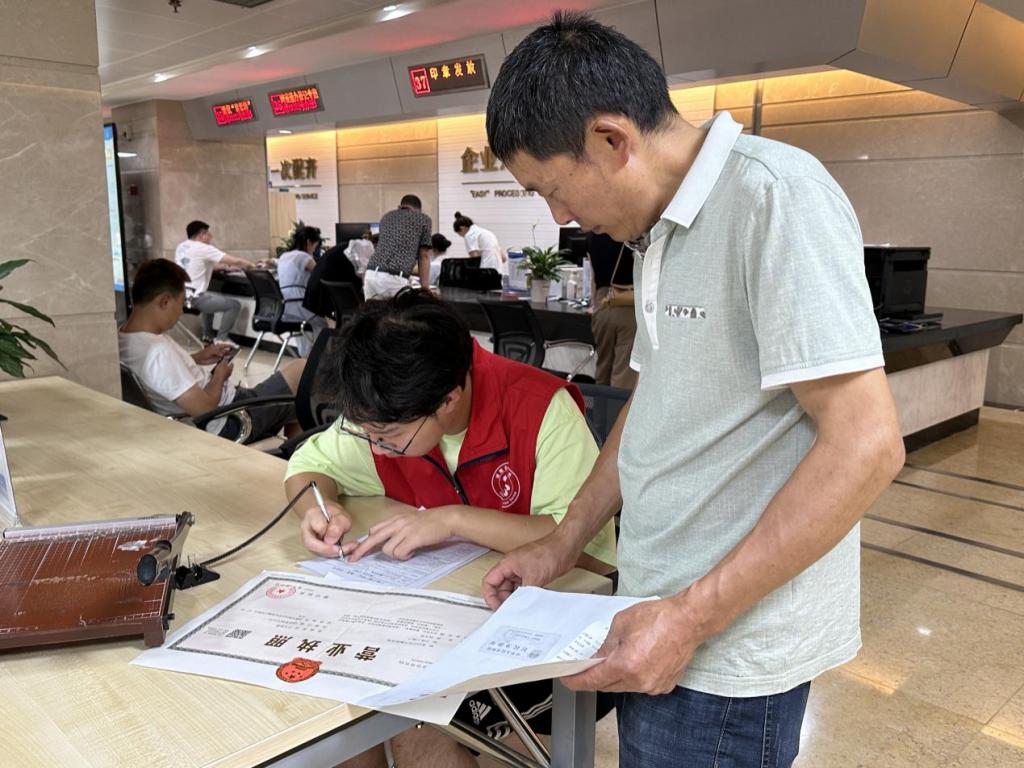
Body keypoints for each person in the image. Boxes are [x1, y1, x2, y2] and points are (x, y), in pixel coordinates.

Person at [481, 12, 904, 768]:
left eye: (552, 189)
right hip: (658, 609)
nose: (560, 216)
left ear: (611, 140)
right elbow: (658, 404)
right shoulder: (659, 231)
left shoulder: (776, 198)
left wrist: (688, 618)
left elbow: (867, 446)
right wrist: (563, 542)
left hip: (726, 648)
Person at [284, 288, 616, 768]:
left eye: (388, 437)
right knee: (340, 711)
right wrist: (320, 508)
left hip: (550, 631)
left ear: (448, 400)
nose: (375, 447)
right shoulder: (388, 405)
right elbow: (308, 467)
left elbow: (585, 551)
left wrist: (453, 519)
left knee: (419, 725)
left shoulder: (540, 409)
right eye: (368, 434)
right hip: (440, 621)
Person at [120, 259, 305, 443]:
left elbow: (161, 374)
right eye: (181, 304)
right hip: (229, 419)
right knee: (303, 372)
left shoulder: (125, 337)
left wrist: (197, 358)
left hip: (226, 408)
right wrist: (220, 376)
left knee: (300, 398)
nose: (181, 312)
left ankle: (291, 453)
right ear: (165, 301)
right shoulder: (159, 352)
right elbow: (205, 409)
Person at [174, 220, 254, 343]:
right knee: (234, 305)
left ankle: (207, 337)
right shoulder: (203, 248)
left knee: (208, 298)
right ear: (202, 234)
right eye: (208, 234)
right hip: (194, 298)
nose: (210, 237)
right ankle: (221, 340)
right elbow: (234, 261)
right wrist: (252, 265)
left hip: (179, 296)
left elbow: (198, 264)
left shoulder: (182, 247)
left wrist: (225, 268)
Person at [588, 232, 637, 389]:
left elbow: (594, 277)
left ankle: (600, 405)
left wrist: (594, 305)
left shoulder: (594, 234)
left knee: (602, 369)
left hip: (602, 304)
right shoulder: (633, 233)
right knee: (623, 375)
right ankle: (617, 406)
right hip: (629, 304)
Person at [363, 195, 432, 299]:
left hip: (370, 275)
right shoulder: (423, 219)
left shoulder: (386, 217)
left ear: (400, 206)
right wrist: (425, 289)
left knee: (372, 310)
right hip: (394, 279)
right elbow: (424, 255)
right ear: (419, 209)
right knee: (401, 310)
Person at [277, 225, 327, 356]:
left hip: (285, 307)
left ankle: (305, 356)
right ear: (309, 242)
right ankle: (320, 357)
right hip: (300, 303)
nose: (314, 250)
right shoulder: (304, 257)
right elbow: (321, 274)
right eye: (315, 247)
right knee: (326, 321)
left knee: (306, 326)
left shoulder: (284, 256)